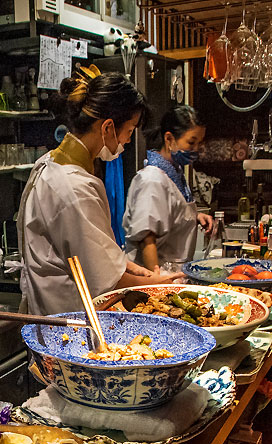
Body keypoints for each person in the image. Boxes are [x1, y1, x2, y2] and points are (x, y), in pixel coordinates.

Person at [17, 68, 184, 316]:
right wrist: (156, 285)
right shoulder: (74, 188)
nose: (128, 141)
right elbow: (106, 282)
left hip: (53, 312)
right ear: (107, 128)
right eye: (129, 131)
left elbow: (82, 251)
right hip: (68, 320)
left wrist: (129, 267)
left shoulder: (49, 163)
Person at [123, 105, 214, 271]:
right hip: (156, 273)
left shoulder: (175, 173)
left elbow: (169, 212)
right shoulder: (152, 180)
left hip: (173, 273)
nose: (195, 149)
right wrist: (156, 282)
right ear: (169, 139)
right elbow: (147, 239)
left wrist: (194, 216)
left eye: (199, 143)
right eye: (191, 142)